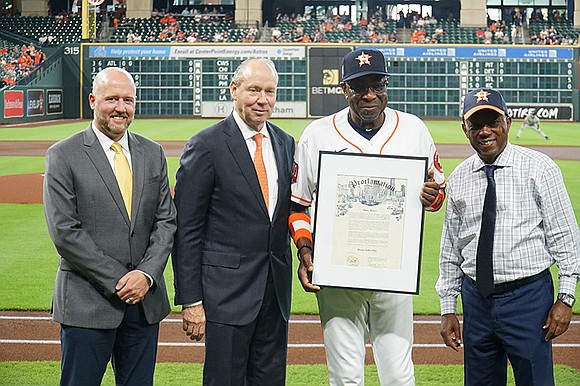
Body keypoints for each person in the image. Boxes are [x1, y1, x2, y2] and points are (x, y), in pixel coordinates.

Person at [289, 49, 446, 385]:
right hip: (337, 273)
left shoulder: (413, 129)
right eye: (359, 87)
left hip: (394, 274)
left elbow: (438, 195)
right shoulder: (317, 134)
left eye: (377, 84)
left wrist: (432, 198)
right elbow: (298, 205)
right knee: (345, 376)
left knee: (399, 374)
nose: (369, 95)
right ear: (345, 90)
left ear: (386, 84)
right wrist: (305, 251)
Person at [43, 67, 177, 386]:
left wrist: (145, 275)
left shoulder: (152, 152)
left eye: (128, 100)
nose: (121, 108)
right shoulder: (63, 154)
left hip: (144, 303)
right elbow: (65, 232)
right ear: (93, 100)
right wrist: (121, 280)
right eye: (112, 99)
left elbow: (166, 220)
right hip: (87, 303)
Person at [436, 88, 579, 385]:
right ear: (465, 129)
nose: (485, 131)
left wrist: (565, 298)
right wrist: (448, 307)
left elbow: (566, 236)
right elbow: (451, 248)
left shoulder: (539, 168)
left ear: (508, 122)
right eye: (477, 124)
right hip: (476, 298)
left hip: (528, 298)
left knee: (535, 380)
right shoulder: (460, 176)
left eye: (493, 121)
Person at [171, 58, 295, 386]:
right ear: (234, 90)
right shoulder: (206, 145)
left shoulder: (285, 143)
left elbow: (288, 213)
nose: (262, 99)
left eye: (270, 91)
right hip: (225, 296)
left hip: (275, 295)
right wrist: (191, 299)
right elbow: (187, 230)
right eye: (254, 90)